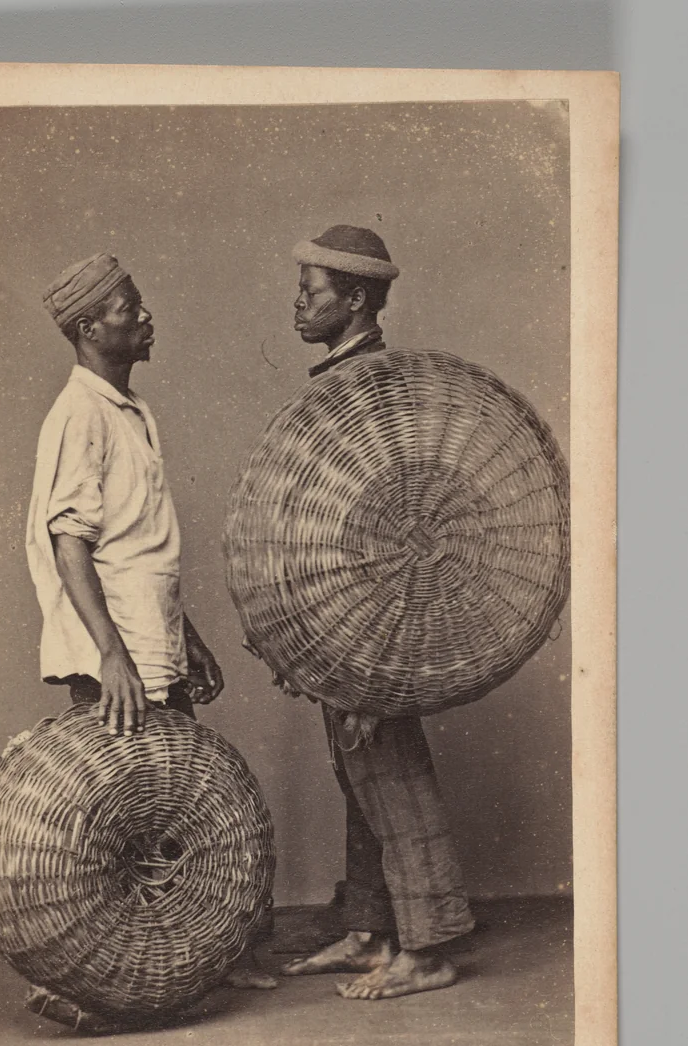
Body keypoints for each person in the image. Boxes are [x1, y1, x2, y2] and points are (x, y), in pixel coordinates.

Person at [26, 252, 275, 999]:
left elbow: (141, 546)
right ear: (85, 327)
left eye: (137, 303)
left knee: (172, 808)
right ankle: (119, 977)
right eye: (127, 306)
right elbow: (69, 543)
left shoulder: (129, 411)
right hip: (119, 652)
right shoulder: (78, 414)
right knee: (125, 826)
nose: (143, 316)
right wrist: (113, 657)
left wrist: (187, 636)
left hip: (149, 638)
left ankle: (190, 965)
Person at [270, 226, 476, 1000]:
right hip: (338, 612)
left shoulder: (374, 381)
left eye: (311, 291)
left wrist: (363, 641)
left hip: (372, 614)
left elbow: (389, 520)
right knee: (357, 768)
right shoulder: (338, 374)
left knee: (388, 767)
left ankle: (427, 946)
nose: (297, 302)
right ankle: (370, 930)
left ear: (354, 299)